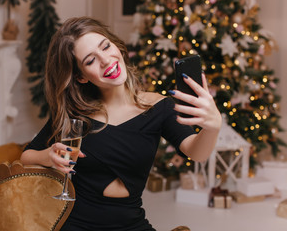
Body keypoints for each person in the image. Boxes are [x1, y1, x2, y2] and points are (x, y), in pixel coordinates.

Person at [20, 16, 222, 231]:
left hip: (132, 224)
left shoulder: (159, 107)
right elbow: (26, 156)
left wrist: (213, 126)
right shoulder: (76, 113)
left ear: (116, 45)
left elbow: (197, 152)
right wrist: (48, 155)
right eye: (90, 60)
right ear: (81, 77)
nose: (106, 60)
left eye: (106, 47)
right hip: (76, 225)